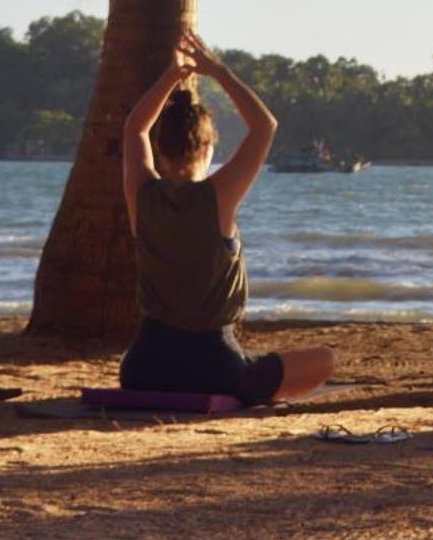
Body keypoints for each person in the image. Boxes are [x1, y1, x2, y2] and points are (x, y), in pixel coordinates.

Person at [119, 32, 336, 403]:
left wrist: (172, 75)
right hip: (215, 367)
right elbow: (264, 126)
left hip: (143, 366)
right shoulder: (218, 196)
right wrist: (217, 71)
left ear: (160, 148)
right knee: (325, 360)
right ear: (207, 147)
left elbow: (134, 128)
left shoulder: (142, 194)